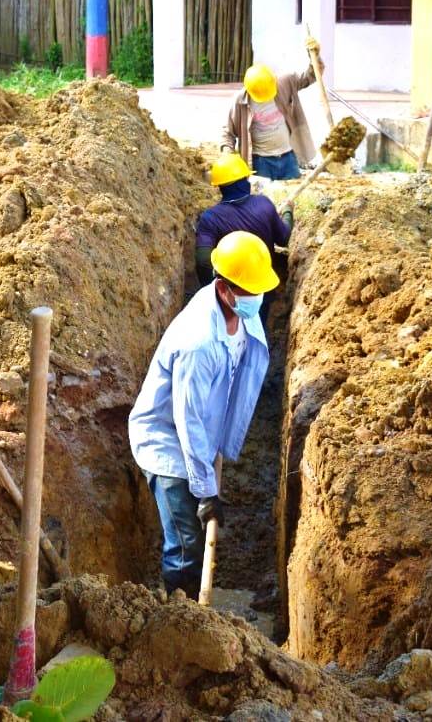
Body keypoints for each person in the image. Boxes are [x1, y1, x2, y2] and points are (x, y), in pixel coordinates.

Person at [129, 230, 278, 597]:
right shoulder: (197, 343)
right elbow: (188, 420)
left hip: (197, 432)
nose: (256, 299)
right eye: (249, 292)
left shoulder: (238, 308)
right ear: (224, 288)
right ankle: (181, 616)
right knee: (184, 545)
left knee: (194, 525)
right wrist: (206, 490)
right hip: (167, 443)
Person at [195, 153, 292, 302]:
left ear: (220, 186)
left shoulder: (210, 218)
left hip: (230, 293)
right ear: (245, 179)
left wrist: (214, 292)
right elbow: (283, 238)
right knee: (258, 323)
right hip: (262, 289)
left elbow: (203, 261)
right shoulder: (264, 204)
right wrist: (287, 212)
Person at [222, 36, 321, 181]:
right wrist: (227, 153)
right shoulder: (240, 102)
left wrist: (314, 56)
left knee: (292, 198)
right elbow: (227, 132)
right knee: (264, 199)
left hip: (288, 157)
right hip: (261, 162)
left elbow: (311, 76)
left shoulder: (284, 83)